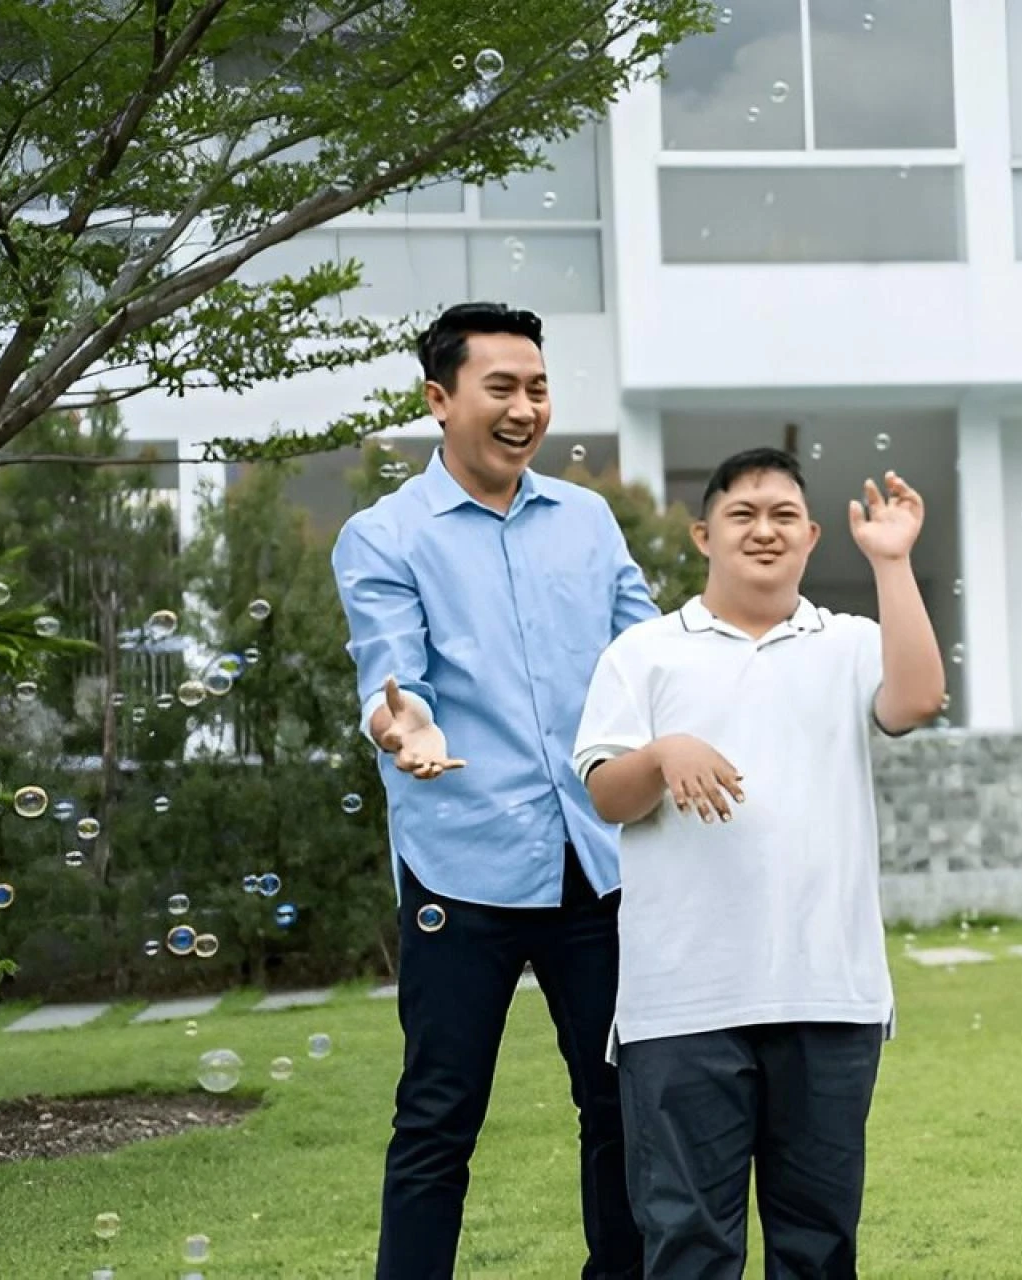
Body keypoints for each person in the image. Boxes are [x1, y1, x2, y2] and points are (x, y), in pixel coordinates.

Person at [332, 301, 655, 1279]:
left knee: (622, 1105)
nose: (525, 409)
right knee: (438, 1116)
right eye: (501, 387)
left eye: (539, 388)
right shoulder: (383, 536)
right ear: (440, 399)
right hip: (460, 865)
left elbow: (647, 658)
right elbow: (392, 681)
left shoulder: (588, 522)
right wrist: (406, 727)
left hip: (596, 863)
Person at [572, 447, 945, 1278]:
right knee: (688, 1246)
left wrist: (892, 562)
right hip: (681, 1005)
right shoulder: (644, 653)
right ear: (704, 535)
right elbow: (606, 797)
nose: (764, 530)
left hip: (829, 992)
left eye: (784, 516)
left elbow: (918, 699)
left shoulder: (850, 643)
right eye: (742, 514)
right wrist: (662, 753)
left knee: (819, 1245)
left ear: (812, 537)